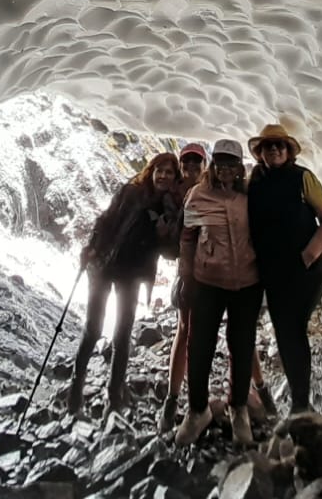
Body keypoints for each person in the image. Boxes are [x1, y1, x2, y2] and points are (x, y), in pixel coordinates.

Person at [68, 151, 183, 414]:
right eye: (160, 171)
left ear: (174, 178)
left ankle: (115, 394)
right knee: (93, 329)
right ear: (152, 171)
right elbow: (106, 220)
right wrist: (91, 248)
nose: (163, 176)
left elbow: (170, 252)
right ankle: (75, 392)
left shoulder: (169, 209)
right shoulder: (130, 192)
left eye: (169, 173)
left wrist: (164, 234)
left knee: (123, 333)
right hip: (103, 267)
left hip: (132, 274)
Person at [174, 139, 263, 446]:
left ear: (239, 168)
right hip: (207, 282)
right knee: (199, 347)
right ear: (213, 166)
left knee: (241, 345)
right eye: (220, 164)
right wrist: (185, 277)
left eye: (231, 164)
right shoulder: (199, 195)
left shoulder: (250, 197)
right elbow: (188, 239)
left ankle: (238, 407)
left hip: (247, 283)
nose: (225, 170)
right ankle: (197, 410)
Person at [245, 124, 322, 414]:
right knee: (286, 331)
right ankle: (300, 401)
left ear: (288, 151)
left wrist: (308, 255)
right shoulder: (254, 183)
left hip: (308, 268)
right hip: (274, 271)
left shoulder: (303, 178)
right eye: (268, 146)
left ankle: (300, 403)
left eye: (279, 145)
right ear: (260, 153)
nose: (274, 149)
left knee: (291, 329)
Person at [159, 142, 207, 433]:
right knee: (185, 330)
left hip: (218, 270)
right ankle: (173, 399)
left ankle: (253, 393)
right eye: (186, 164)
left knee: (235, 333)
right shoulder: (173, 196)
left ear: (204, 165)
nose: (191, 168)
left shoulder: (213, 190)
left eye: (196, 163)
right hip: (189, 272)